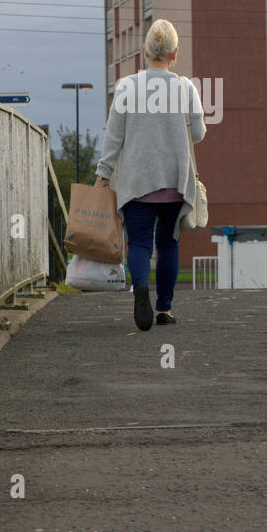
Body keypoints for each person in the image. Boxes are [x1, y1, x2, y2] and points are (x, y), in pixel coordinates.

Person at [94, 19, 205, 331]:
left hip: (137, 181)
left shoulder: (127, 87)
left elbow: (113, 137)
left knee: (140, 242)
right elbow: (197, 133)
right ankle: (165, 308)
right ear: (175, 53)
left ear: (144, 51)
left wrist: (103, 174)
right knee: (169, 243)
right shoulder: (186, 87)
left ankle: (140, 287)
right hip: (174, 181)